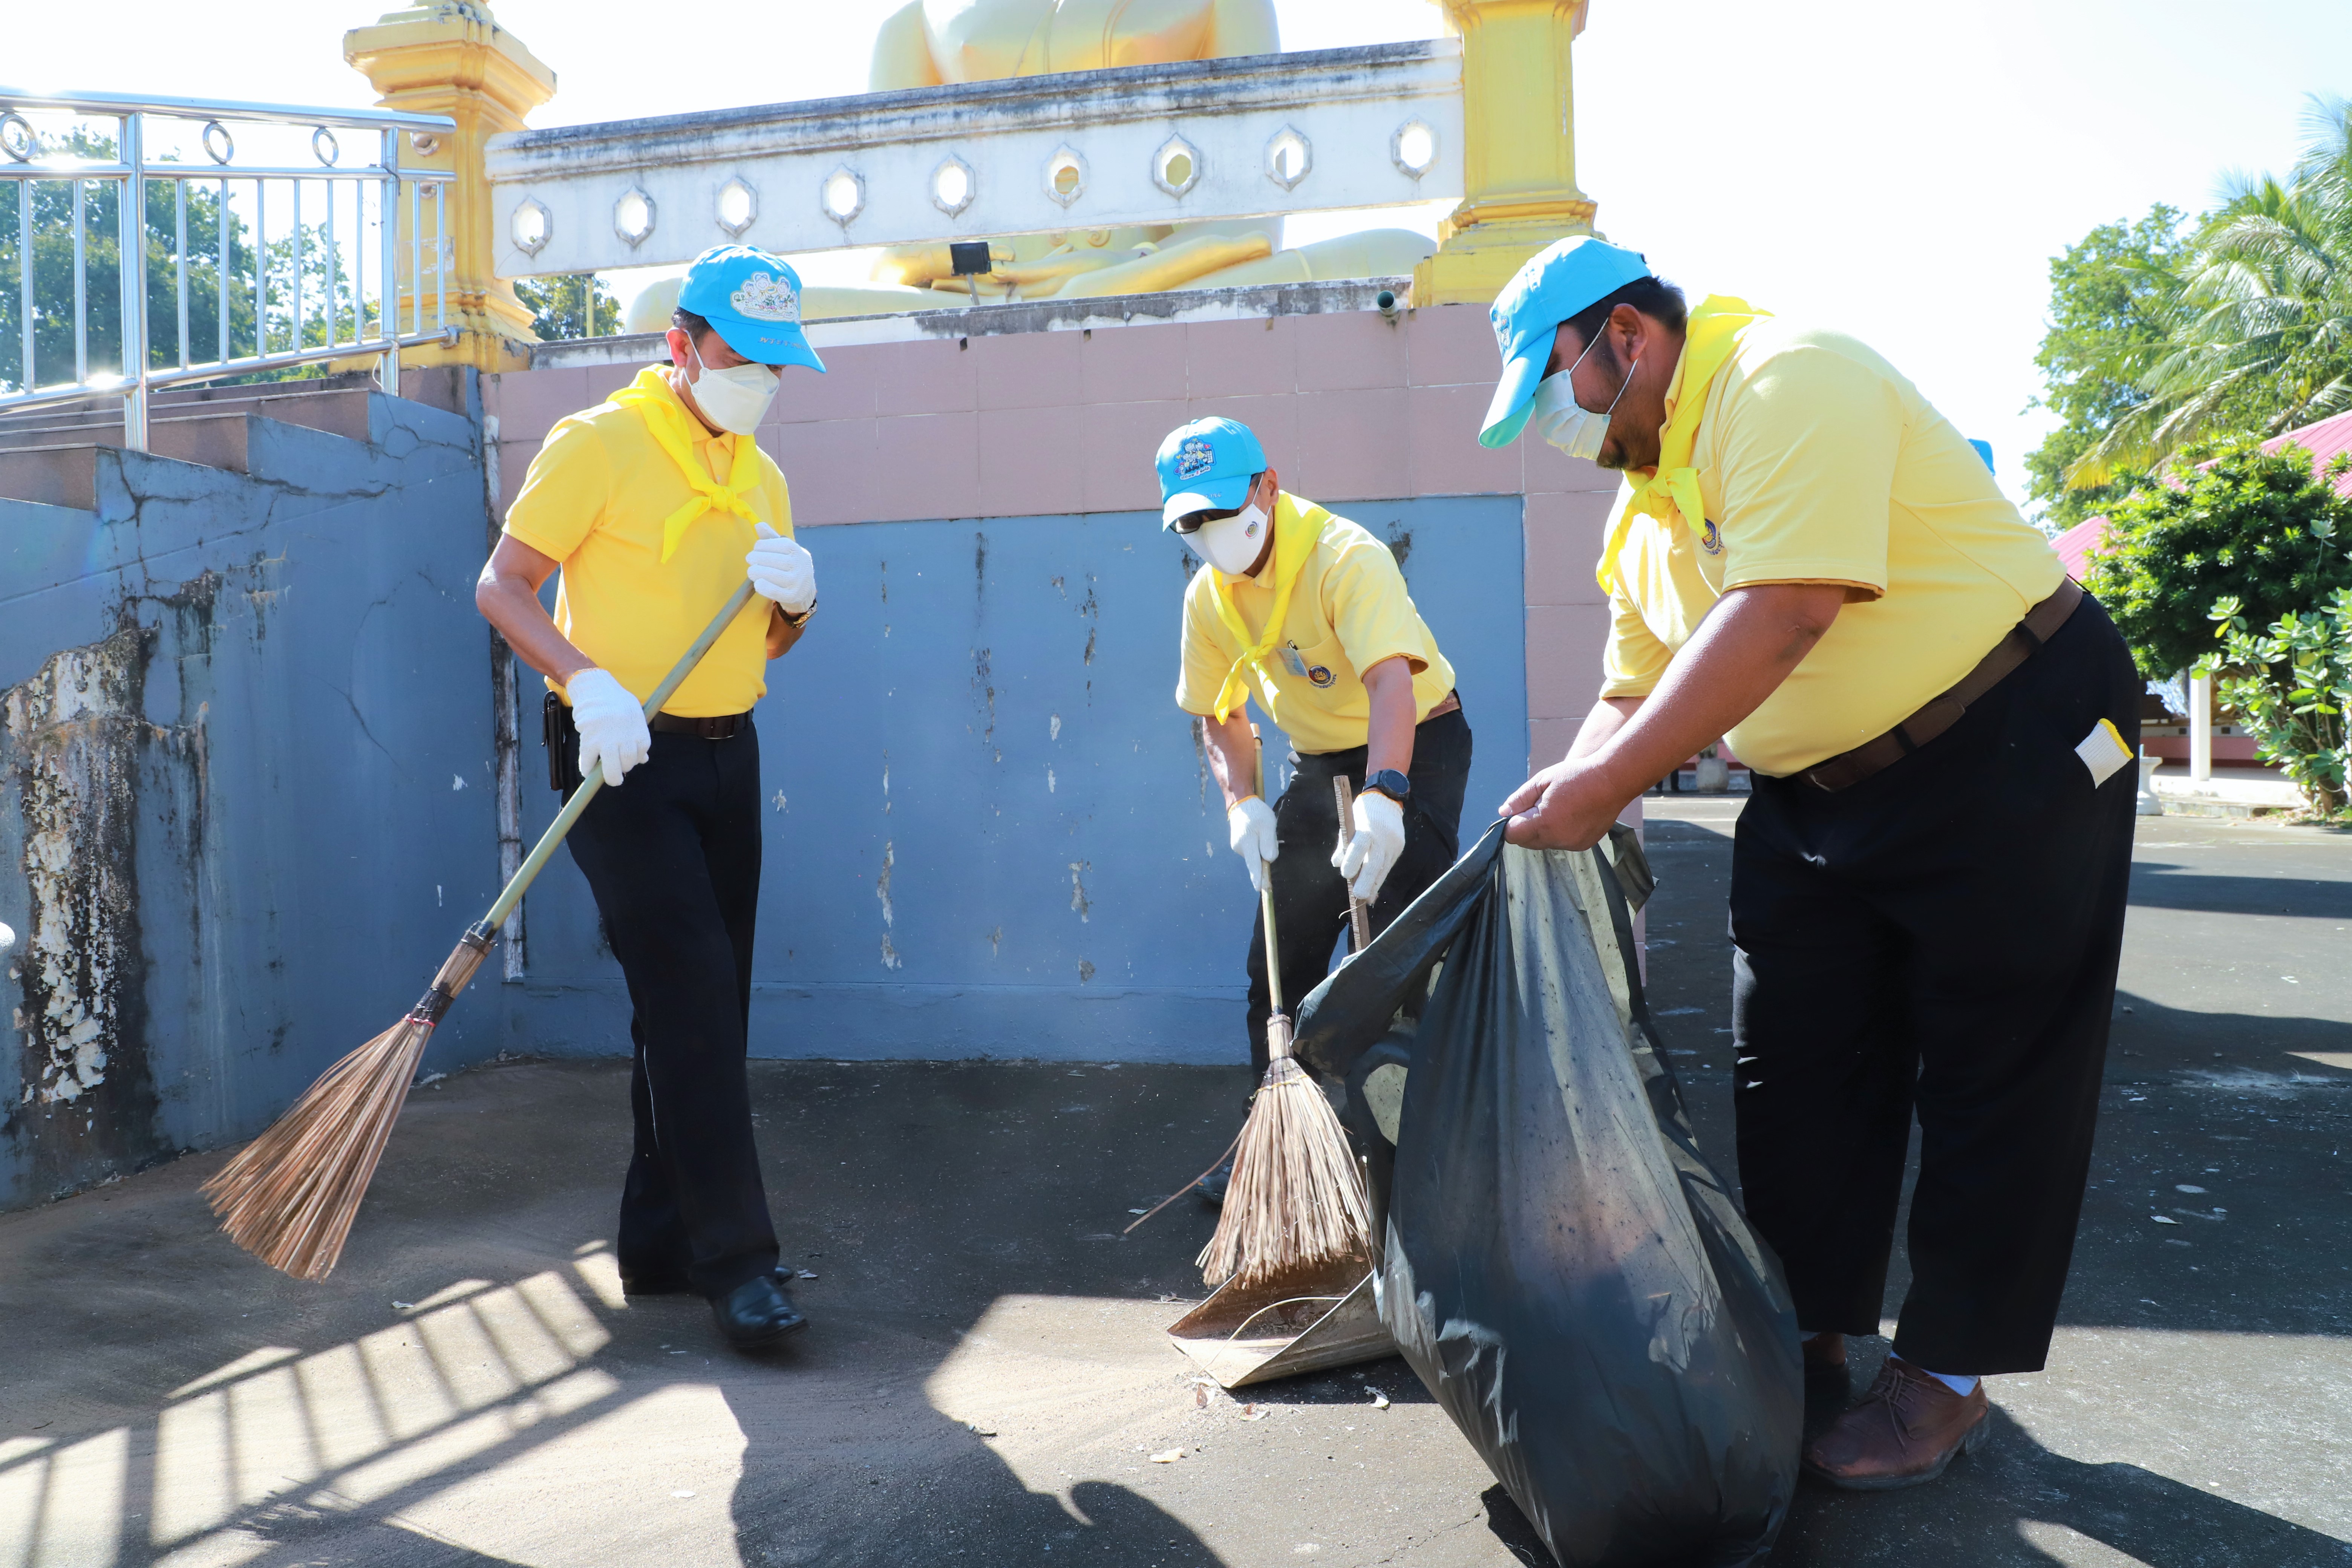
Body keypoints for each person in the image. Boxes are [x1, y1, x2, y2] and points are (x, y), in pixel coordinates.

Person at [1478, 236, 2141, 1488]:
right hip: (1815, 790)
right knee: (1791, 1059)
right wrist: (1570, 804)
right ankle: (1805, 1328)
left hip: (2008, 731)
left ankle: (1946, 1377)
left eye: (1558, 386)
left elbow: (1787, 606)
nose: (1558, 426)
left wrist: (1607, 789)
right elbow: (1629, 694)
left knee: (1997, 1063)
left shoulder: (1788, 380)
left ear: (1628, 338)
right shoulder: (1644, 514)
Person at [475, 245, 825, 1352]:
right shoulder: (601, 444)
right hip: (619, 756)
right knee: (692, 1005)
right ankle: (740, 1265)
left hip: (729, 752)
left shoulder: (760, 472)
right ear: (682, 345)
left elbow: (767, 640)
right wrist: (586, 685)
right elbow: (504, 585)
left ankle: (658, 1240)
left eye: (779, 363)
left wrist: (797, 605)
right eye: (743, 355)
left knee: (700, 1008)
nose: (761, 380)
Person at [1159, 417, 1473, 1196]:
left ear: (1268, 485)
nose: (1212, 533)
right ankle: (1280, 1144)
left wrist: (1387, 795)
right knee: (1280, 958)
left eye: (1224, 512)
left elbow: (1390, 682)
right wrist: (1242, 804)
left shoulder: (1343, 557)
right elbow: (1221, 712)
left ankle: (1424, 1151)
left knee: (1404, 952)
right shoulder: (1210, 597)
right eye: (1193, 521)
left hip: (1415, 746)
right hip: (1317, 759)